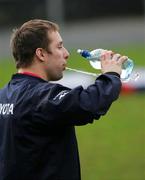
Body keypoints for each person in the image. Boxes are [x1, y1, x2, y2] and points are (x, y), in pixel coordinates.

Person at [0, 19, 127, 180]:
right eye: (59, 46)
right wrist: (111, 75)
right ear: (41, 54)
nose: (66, 53)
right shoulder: (39, 96)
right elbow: (88, 104)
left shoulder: (4, 95)